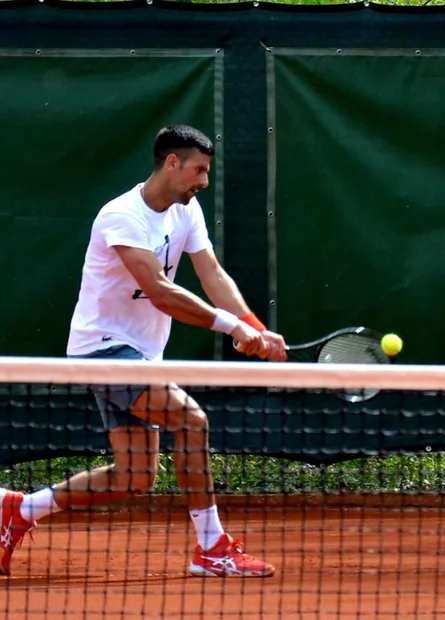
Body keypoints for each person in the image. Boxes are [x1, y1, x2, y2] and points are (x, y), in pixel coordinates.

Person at [0, 125, 287, 578]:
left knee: (134, 475)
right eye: (199, 170)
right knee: (191, 421)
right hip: (103, 352)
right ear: (171, 163)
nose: (204, 181)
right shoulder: (121, 216)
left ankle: (19, 509)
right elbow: (160, 291)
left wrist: (254, 328)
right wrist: (230, 326)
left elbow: (212, 274)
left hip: (141, 355)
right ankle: (212, 548)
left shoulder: (186, 211)